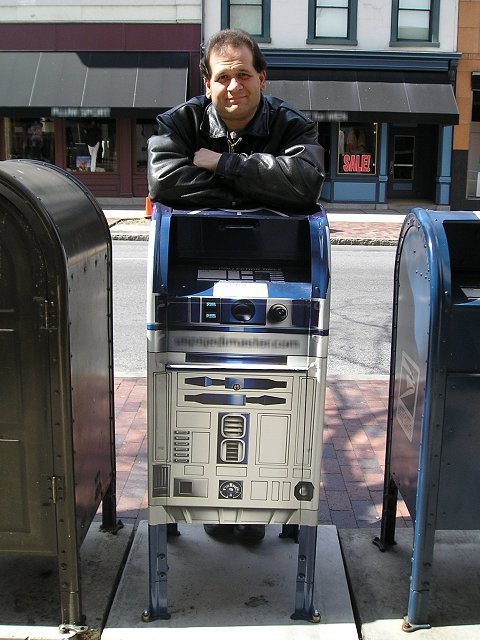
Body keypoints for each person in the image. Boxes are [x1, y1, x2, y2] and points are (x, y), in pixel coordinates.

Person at [147, 28, 325, 542]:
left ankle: (269, 507)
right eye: (222, 75)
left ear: (261, 78)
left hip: (279, 289)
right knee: (196, 402)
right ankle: (197, 506)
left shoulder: (291, 123)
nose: (234, 85)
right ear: (207, 82)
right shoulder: (177, 123)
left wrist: (221, 163)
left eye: (243, 74)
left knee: (274, 408)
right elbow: (165, 182)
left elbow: (305, 184)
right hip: (193, 279)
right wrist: (256, 185)